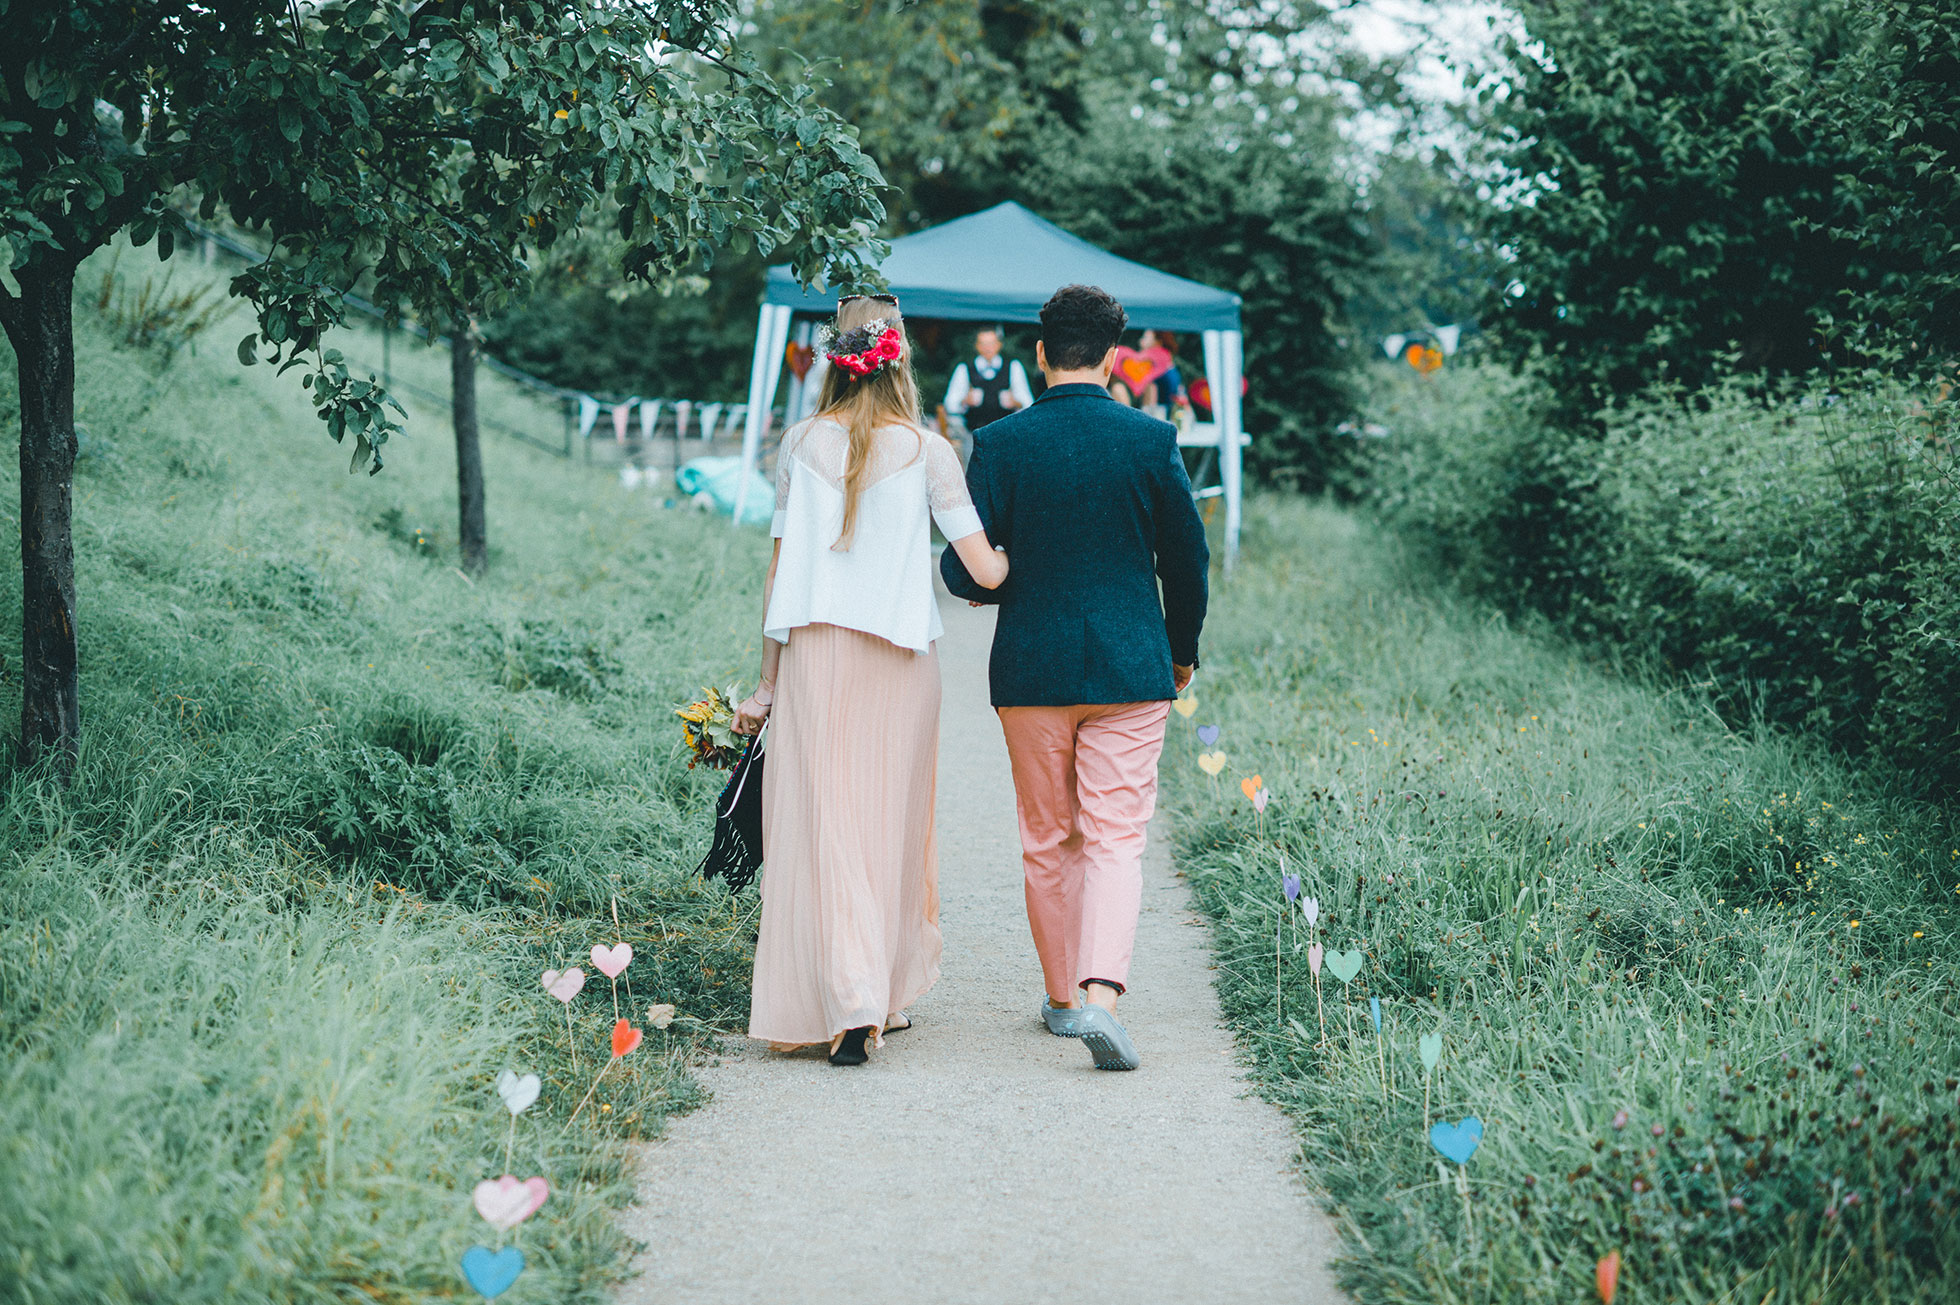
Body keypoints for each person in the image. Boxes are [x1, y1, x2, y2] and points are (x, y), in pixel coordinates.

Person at [731, 294, 1010, 1067]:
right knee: (889, 822)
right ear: (899, 361)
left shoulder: (797, 444)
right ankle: (869, 994)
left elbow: (780, 572)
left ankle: (848, 995)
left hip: (815, 654)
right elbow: (985, 568)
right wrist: (1023, 556)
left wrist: (766, 684)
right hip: (900, 659)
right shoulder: (928, 451)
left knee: (825, 822)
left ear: (835, 359)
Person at [940, 284, 1209, 1071]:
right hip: (1132, 666)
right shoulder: (1152, 439)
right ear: (1115, 356)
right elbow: (1186, 560)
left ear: (1039, 354)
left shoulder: (1000, 443)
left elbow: (963, 570)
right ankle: (1102, 997)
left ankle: (1061, 999)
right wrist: (1181, 650)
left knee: (1046, 838)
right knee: (1116, 835)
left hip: (1031, 670)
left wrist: (1008, 572)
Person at [943, 328, 1033, 432]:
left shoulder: (1013, 367)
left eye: (991, 343)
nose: (987, 348)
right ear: (976, 346)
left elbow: (1028, 404)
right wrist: (965, 401)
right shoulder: (964, 368)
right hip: (973, 432)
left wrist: (1015, 402)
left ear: (999, 345)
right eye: (983, 344)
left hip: (1006, 432)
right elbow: (950, 405)